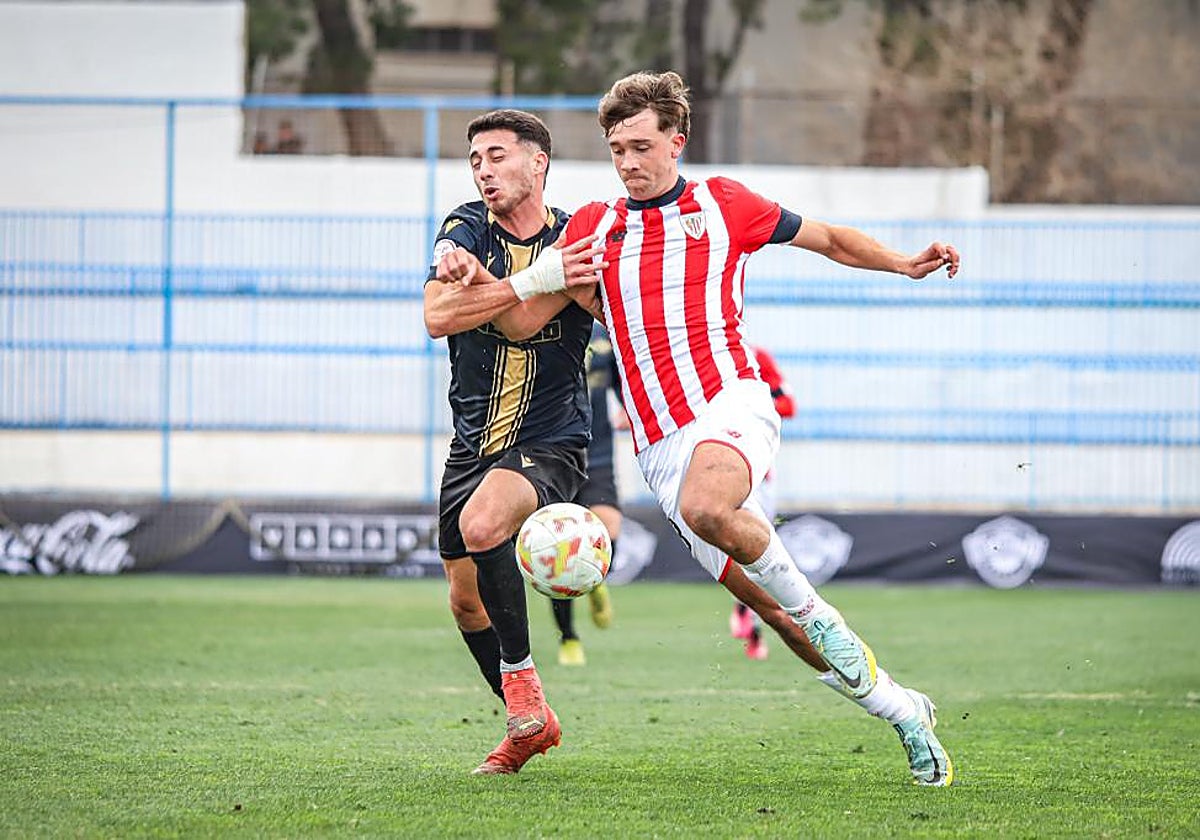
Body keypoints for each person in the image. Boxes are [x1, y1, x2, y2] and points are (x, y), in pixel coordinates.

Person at [547, 71, 958, 786]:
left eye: (641, 145)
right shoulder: (593, 226)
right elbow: (565, 299)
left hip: (731, 402)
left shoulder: (722, 203)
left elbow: (827, 238)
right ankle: (901, 711)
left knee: (716, 511)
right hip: (659, 447)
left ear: (677, 142)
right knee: (782, 624)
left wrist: (902, 263)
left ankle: (819, 611)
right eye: (616, 149)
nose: (628, 162)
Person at [422, 109, 606, 775]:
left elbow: (530, 323)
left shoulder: (578, 235)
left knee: (483, 521)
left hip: (551, 438)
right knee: (464, 599)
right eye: (476, 159)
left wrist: (493, 287)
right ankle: (527, 723)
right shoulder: (464, 226)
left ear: (538, 163)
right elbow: (437, 317)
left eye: (498, 155)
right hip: (472, 443)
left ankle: (526, 688)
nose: (484, 169)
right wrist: (531, 278)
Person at [551, 322, 621, 666]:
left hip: (600, 450)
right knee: (556, 549)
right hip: (557, 450)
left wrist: (629, 408)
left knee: (610, 530)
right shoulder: (546, 323)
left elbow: (622, 379)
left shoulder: (605, 333)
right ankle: (569, 637)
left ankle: (595, 581)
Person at [729, 343, 796, 660]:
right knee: (733, 546)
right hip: (720, 471)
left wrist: (753, 404)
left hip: (759, 473)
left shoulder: (757, 357)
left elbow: (788, 404)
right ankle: (747, 615)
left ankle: (748, 617)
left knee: (758, 548)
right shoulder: (701, 358)